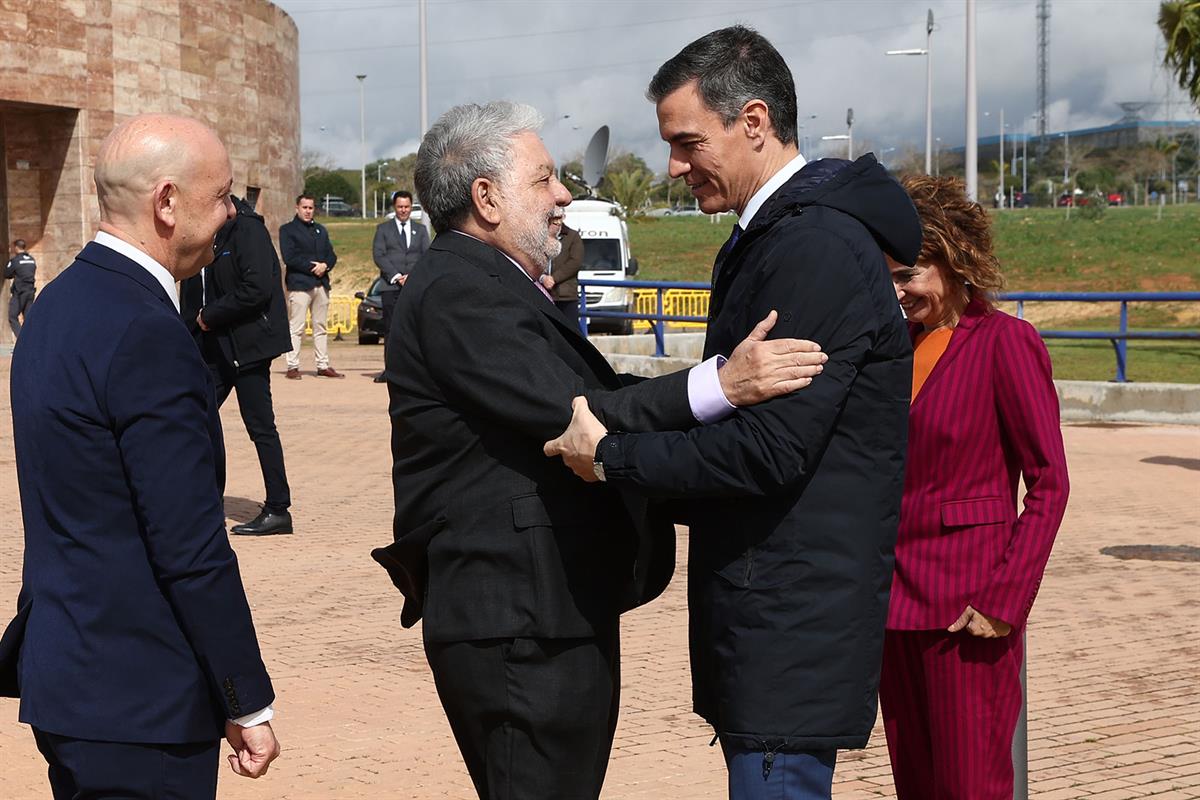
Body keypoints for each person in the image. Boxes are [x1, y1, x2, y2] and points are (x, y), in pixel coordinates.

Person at [373, 100, 828, 800]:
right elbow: (580, 414)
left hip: (543, 612)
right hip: (519, 623)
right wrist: (723, 385)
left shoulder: (489, 283)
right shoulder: (460, 290)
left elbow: (601, 387)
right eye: (545, 180)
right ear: (486, 198)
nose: (563, 197)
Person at [543, 26, 921, 799]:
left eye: (687, 144)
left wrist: (614, 459)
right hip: (766, 608)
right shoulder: (772, 237)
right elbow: (729, 406)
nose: (673, 167)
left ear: (753, 122)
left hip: (790, 622)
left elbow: (768, 449)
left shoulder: (812, 248)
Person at [0, 114, 280, 799]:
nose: (232, 215)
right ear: (166, 202)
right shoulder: (148, 334)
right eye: (221, 198)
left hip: (67, 676)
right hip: (139, 698)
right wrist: (247, 699)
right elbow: (188, 545)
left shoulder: (57, 307)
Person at [878, 175, 1069, 799]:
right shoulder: (891, 349)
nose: (898, 291)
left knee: (973, 787)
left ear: (953, 260)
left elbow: (1049, 483)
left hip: (969, 609)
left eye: (908, 274)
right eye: (890, 277)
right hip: (893, 608)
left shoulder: (1007, 344)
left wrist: (1004, 602)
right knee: (917, 785)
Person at [180, 194, 295, 537]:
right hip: (216, 347)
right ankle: (205, 502)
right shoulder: (212, 236)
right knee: (195, 418)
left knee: (260, 428)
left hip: (248, 348)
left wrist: (208, 316)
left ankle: (278, 509)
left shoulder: (247, 231)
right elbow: (195, 292)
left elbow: (257, 287)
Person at [280, 193, 342, 379]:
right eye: (304, 207)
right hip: (300, 285)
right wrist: (313, 267)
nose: (308, 211)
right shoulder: (287, 230)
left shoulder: (320, 230)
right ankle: (292, 366)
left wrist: (326, 265)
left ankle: (322, 365)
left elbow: (331, 254)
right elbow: (289, 257)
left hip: (321, 284)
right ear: (297, 208)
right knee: (296, 327)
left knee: (321, 327)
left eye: (311, 208)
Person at [371, 189, 430, 382]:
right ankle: (390, 370)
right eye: (400, 207)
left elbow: (426, 256)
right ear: (394, 208)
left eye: (406, 207)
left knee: (415, 329)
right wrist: (397, 276)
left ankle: (415, 370)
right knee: (391, 329)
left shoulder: (421, 230)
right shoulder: (383, 230)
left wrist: (411, 277)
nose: (403, 210)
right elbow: (379, 255)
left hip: (413, 288)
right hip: (391, 287)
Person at [546, 221, 584, 326]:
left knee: (571, 329)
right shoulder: (541, 234)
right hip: (543, 292)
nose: (555, 221)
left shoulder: (573, 236)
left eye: (558, 217)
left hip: (565, 295)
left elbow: (575, 262)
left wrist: (554, 278)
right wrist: (542, 278)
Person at [5, 238, 36, 338]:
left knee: (12, 316)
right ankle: (31, 340)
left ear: (17, 248)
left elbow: (7, 274)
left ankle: (21, 340)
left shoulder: (15, 260)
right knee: (28, 318)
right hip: (30, 292)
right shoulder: (32, 260)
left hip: (19, 292)